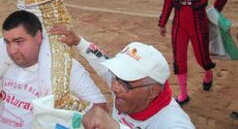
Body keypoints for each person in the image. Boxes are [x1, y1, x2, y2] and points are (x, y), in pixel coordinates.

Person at [49, 25, 195, 129]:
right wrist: (78, 42)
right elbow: (101, 61)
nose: (114, 87)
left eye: (125, 82)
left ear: (153, 91)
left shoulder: (171, 122)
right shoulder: (124, 89)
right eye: (115, 77)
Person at [0, 11, 107, 129]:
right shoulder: (5, 63)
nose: (12, 50)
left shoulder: (65, 67)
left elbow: (101, 110)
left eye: (19, 41)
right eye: (7, 42)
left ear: (38, 37)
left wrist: (69, 120)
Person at [158, 0, 228, 105]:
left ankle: (208, 73)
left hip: (199, 22)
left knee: (202, 56)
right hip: (179, 24)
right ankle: (183, 94)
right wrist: (162, 23)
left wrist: (214, 13)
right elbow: (168, 3)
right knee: (179, 58)